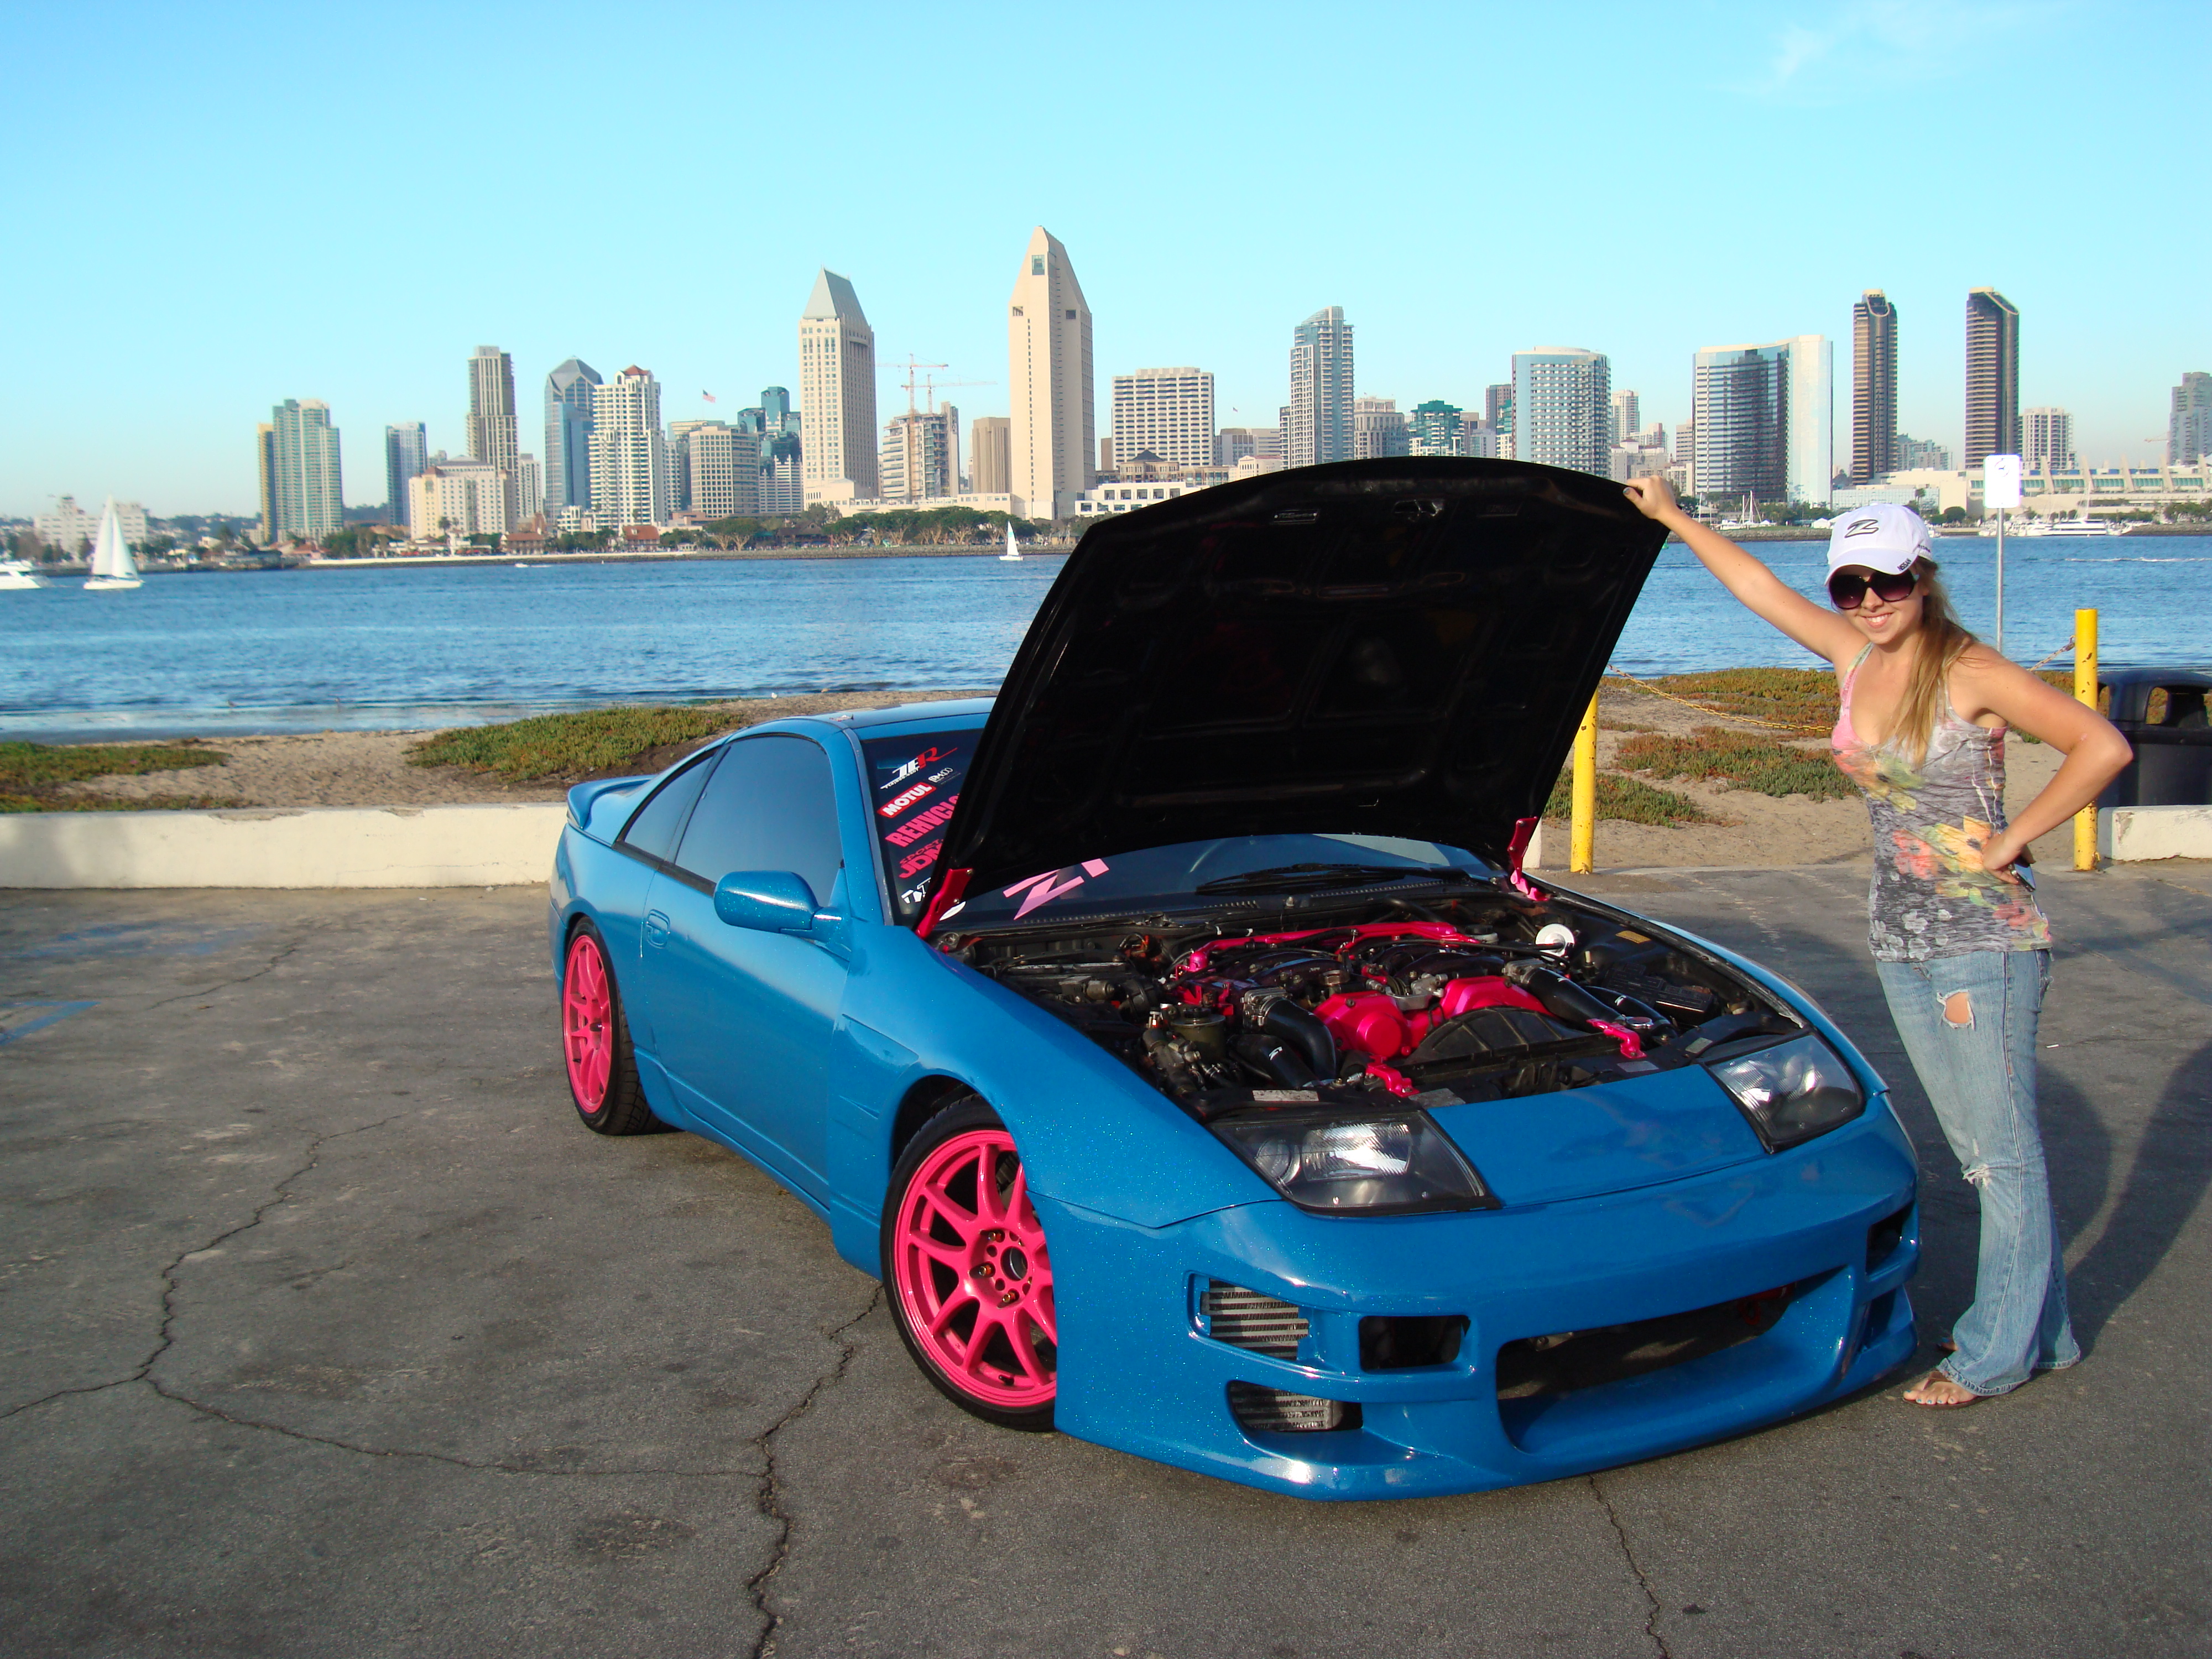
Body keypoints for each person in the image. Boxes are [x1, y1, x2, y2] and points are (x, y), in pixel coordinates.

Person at [1623, 478, 2132, 1407]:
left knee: (2001, 1157)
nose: (1869, 601)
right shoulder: (1853, 658)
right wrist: (1672, 518)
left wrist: (2014, 839)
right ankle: (2043, 1333)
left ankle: (1991, 1356)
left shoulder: (1973, 671)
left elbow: (2102, 745)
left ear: (1923, 577)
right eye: (1850, 586)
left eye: (1888, 582)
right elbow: (1757, 589)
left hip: (1984, 938)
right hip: (1898, 934)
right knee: (1979, 1149)